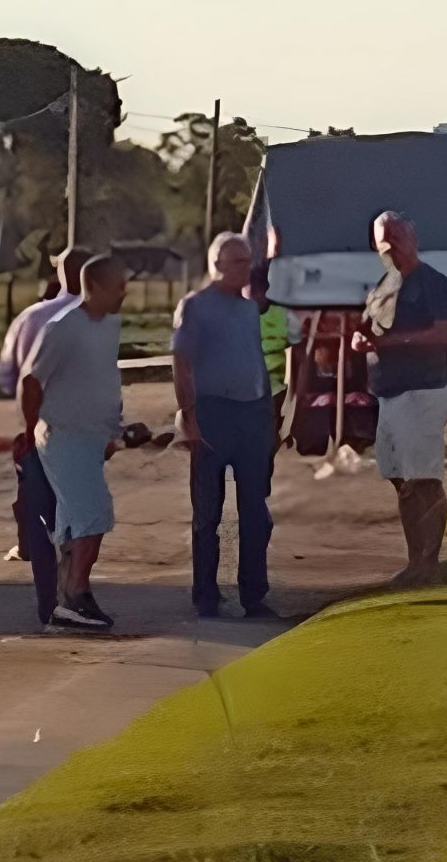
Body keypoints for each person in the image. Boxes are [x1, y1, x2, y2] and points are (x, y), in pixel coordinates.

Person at [17, 254, 126, 630]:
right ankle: (76, 595)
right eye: (116, 286)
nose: (123, 293)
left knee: (74, 521)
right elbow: (31, 382)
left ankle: (68, 598)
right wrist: (30, 431)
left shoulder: (108, 326)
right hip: (63, 435)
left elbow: (104, 380)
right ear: (92, 286)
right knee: (92, 515)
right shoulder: (62, 328)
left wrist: (113, 429)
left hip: (90, 437)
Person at [352, 211, 447, 588]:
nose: (392, 249)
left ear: (413, 238)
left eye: (398, 240)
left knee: (424, 479)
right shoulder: (383, 285)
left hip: (422, 392)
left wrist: (393, 342)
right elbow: (367, 329)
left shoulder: (433, 283)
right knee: (401, 480)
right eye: (385, 244)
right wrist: (360, 340)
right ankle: (416, 562)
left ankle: (428, 566)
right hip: (388, 395)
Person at [173, 232, 277, 619]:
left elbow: (255, 361)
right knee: (207, 514)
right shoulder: (195, 306)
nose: (246, 269)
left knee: (255, 513)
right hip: (212, 415)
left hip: (252, 416)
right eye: (238, 262)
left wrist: (269, 416)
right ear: (217, 265)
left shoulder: (249, 309)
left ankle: (254, 595)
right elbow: (182, 362)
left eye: (248, 261)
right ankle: (206, 595)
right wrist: (189, 416)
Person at [0, 246, 93, 625]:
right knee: (79, 519)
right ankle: (73, 596)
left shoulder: (30, 318)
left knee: (41, 521)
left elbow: (11, 377)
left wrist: (23, 427)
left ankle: (47, 604)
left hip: (36, 432)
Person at [248, 270, 301, 475]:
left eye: (255, 291)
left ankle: (260, 478)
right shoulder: (235, 315)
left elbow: (297, 351)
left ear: (264, 290)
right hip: (245, 393)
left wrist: (293, 395)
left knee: (267, 441)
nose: (251, 297)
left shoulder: (283, 314)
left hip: (274, 390)